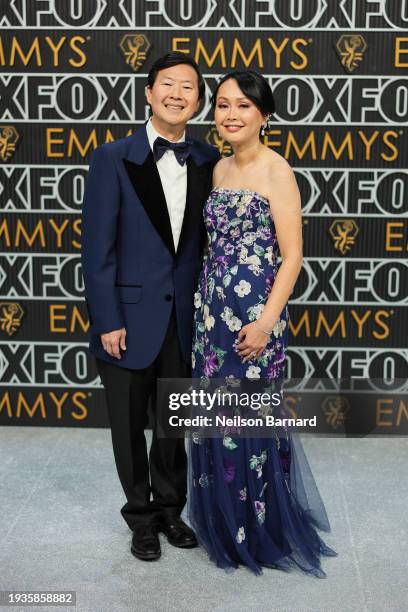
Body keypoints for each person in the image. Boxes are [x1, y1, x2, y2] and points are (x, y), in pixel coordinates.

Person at [187, 70, 337, 576]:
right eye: (223, 105)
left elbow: (292, 256)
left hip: (255, 315)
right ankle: (226, 524)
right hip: (212, 312)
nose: (230, 115)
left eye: (243, 106)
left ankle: (261, 529)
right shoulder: (218, 170)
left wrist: (267, 322)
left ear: (264, 115)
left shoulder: (278, 170)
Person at [81, 52, 220, 561]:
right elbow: (96, 250)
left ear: (199, 101)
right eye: (168, 84)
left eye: (189, 87)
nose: (177, 94)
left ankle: (170, 510)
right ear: (148, 92)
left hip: (185, 320)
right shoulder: (112, 157)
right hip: (127, 319)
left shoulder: (209, 161)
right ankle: (139, 517)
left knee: (172, 425)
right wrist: (107, 320)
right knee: (127, 425)